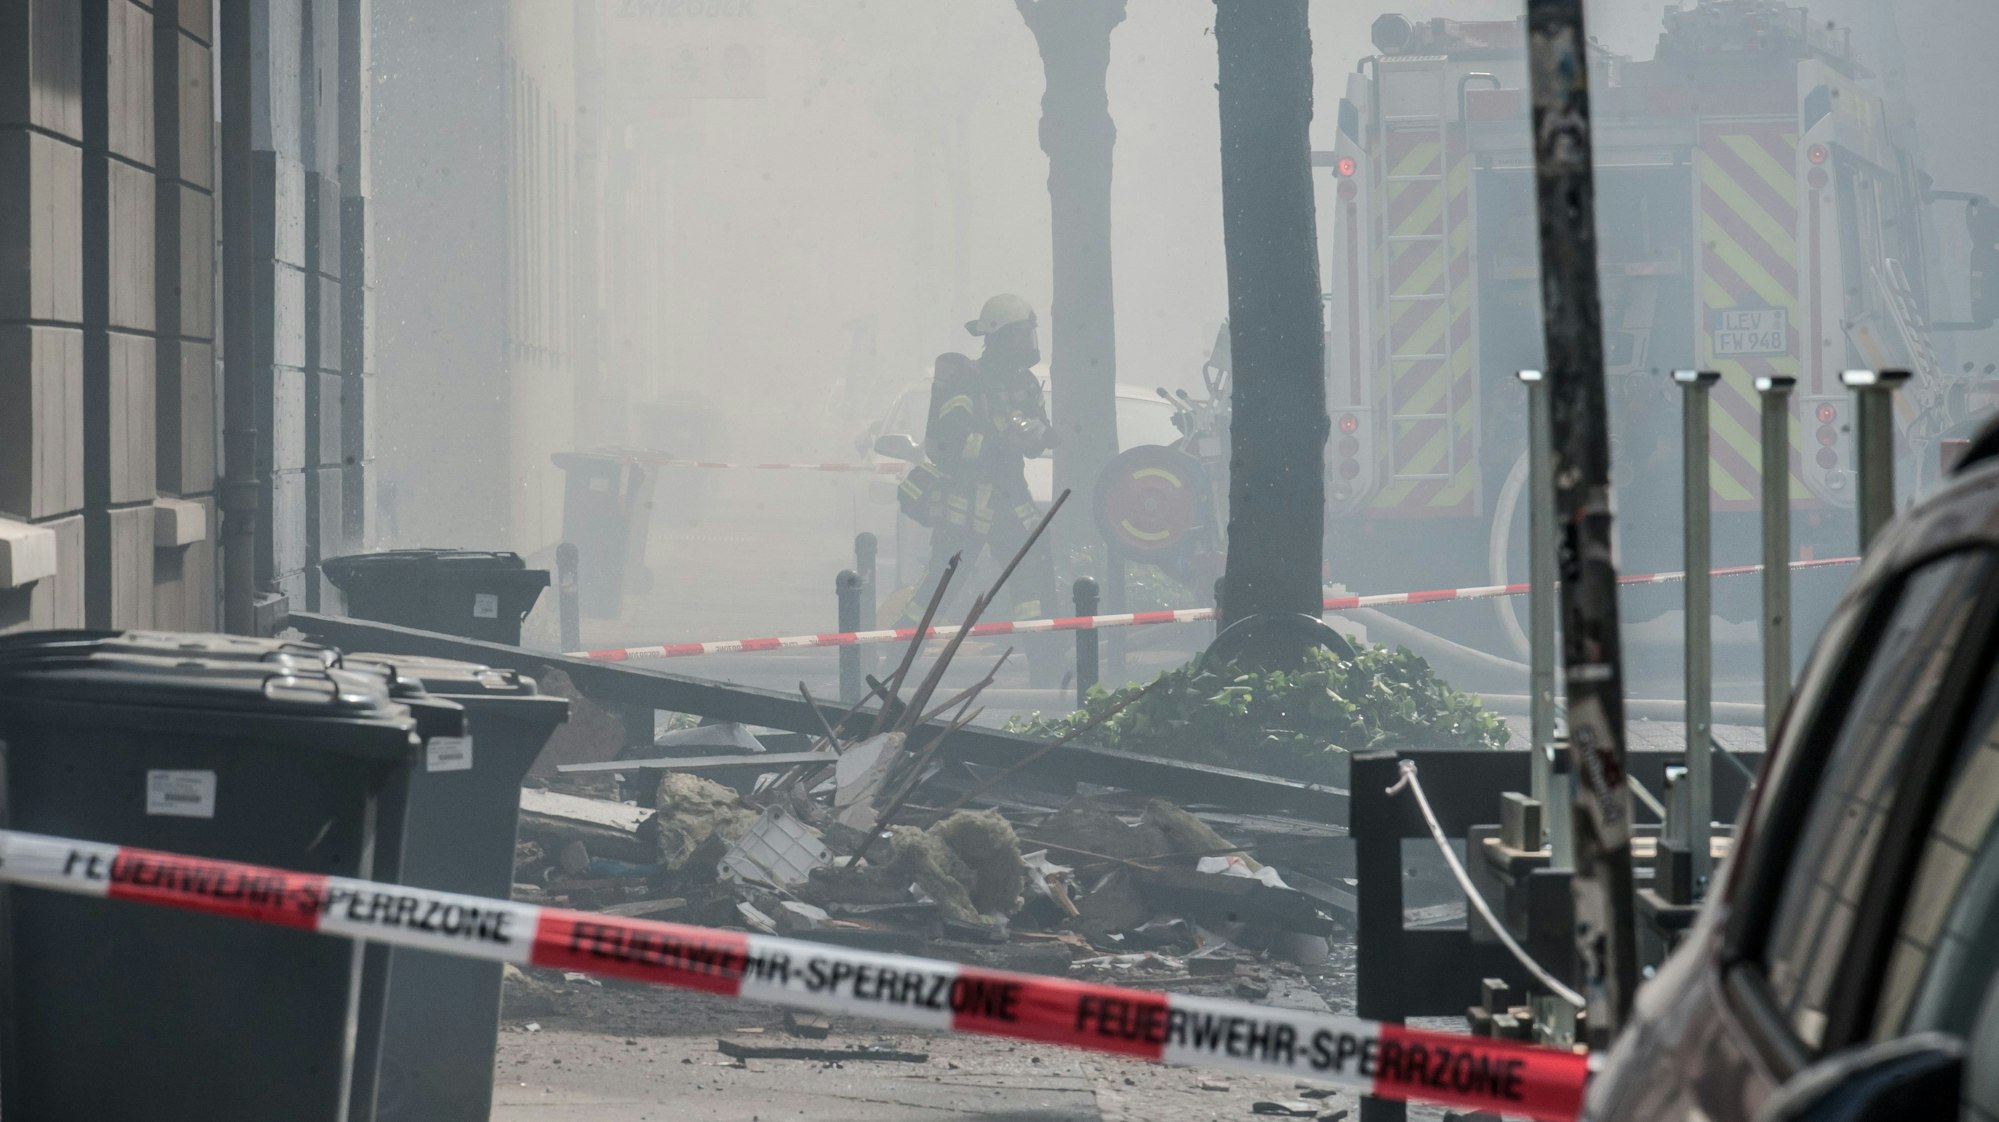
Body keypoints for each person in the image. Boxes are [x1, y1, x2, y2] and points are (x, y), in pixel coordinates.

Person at [896, 295, 1060, 675]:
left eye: (1029, 333)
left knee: (1031, 583)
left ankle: (1047, 671)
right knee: (938, 592)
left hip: (1009, 499)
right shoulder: (967, 381)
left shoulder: (1026, 383)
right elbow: (949, 444)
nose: (1029, 341)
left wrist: (1039, 436)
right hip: (966, 504)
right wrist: (1000, 441)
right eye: (1022, 333)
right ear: (1000, 337)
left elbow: (1033, 439)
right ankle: (892, 667)